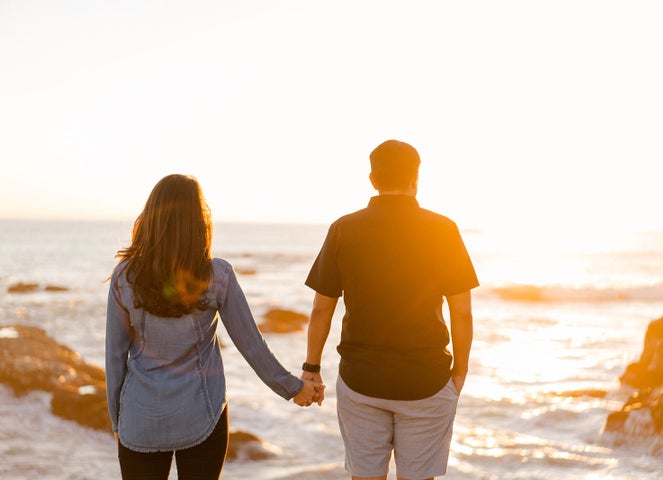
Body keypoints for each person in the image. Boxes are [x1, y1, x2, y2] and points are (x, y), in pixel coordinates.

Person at [105, 174, 322, 480]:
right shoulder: (217, 274)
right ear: (199, 220)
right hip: (202, 415)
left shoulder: (125, 276)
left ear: (151, 216)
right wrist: (294, 389)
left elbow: (114, 358)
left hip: (140, 419)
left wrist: (118, 422)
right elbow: (251, 346)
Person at [302, 139, 479, 480]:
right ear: (417, 177)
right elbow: (462, 312)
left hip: (361, 381)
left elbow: (322, 309)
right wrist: (460, 370)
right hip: (427, 380)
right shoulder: (443, 229)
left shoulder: (344, 228)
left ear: (373, 179)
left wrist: (311, 368)